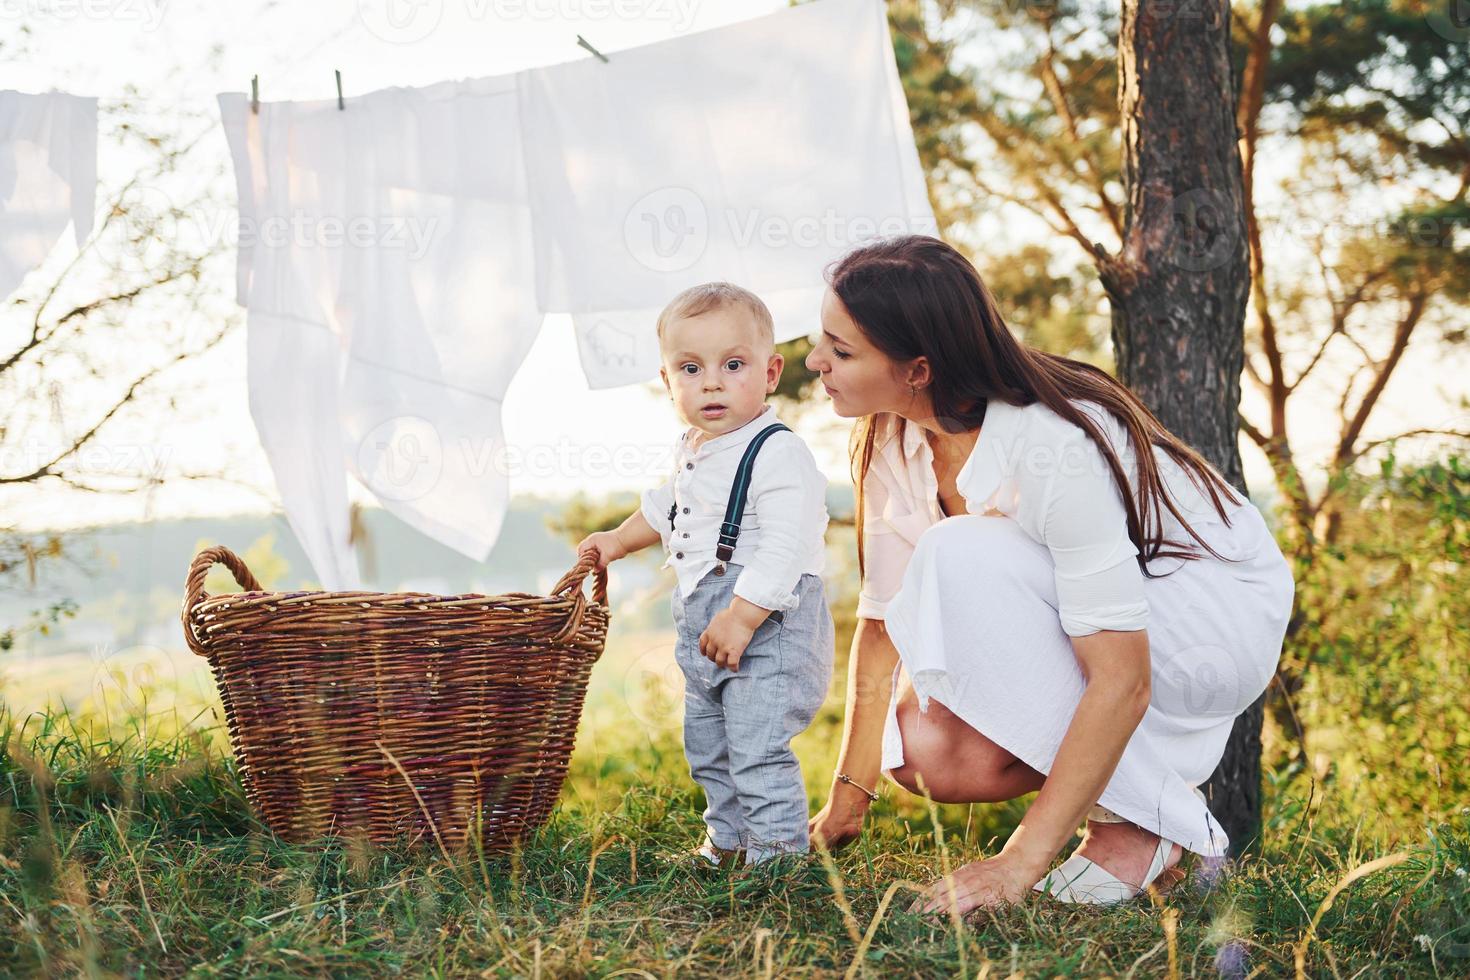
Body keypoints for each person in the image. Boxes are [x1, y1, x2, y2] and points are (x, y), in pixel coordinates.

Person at [802, 235, 1295, 911]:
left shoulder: (1046, 447)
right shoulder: (890, 433)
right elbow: (883, 623)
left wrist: (1015, 866)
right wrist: (845, 805)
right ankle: (1138, 809)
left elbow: (1123, 678)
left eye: (841, 350)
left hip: (1210, 613)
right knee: (926, 748)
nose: (813, 360)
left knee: (956, 553)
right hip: (1112, 623)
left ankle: (1133, 823)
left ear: (917, 368)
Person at [578, 282, 834, 868]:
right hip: (705, 624)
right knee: (710, 746)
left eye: (733, 364)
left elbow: (786, 546)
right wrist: (617, 541)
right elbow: (665, 507)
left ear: (771, 373)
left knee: (756, 747)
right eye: (690, 368)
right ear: (668, 382)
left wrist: (744, 616)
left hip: (769, 628)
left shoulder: (776, 452)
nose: (711, 382)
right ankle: (728, 841)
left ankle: (775, 861)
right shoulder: (695, 449)